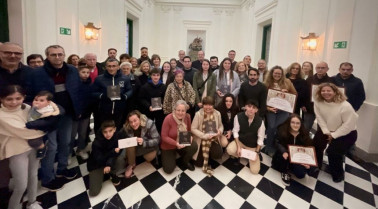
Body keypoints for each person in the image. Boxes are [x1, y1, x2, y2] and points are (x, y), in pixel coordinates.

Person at [27, 45, 82, 191]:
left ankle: (62, 168)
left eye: (60, 54)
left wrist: (78, 110)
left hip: (67, 113)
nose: (57, 57)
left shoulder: (71, 70)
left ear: (64, 55)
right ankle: (47, 178)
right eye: (53, 55)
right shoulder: (37, 73)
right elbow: (31, 94)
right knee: (51, 147)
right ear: (47, 56)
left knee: (66, 142)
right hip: (47, 117)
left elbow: (76, 91)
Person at [0, 85, 46, 209]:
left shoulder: (27, 107)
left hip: (32, 148)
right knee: (20, 185)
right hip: (17, 151)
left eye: (18, 98)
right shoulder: (1, 116)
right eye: (9, 99)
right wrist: (45, 129)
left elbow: (42, 118)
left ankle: (32, 202)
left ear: (23, 97)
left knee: (33, 175)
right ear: (1, 99)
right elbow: (25, 131)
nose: (14, 102)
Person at [313, 83, 358, 182]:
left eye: (329, 91)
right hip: (327, 129)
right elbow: (320, 118)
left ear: (335, 92)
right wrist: (326, 132)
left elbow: (349, 125)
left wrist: (334, 135)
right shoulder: (318, 102)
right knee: (316, 145)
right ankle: (316, 165)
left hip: (347, 133)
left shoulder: (345, 105)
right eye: (323, 91)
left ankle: (338, 174)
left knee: (333, 152)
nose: (326, 93)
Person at [271, 114, 316, 186]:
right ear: (289, 123)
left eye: (298, 123)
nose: (295, 125)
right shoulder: (282, 131)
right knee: (283, 159)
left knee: (300, 175)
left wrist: (306, 163)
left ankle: (294, 168)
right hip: (285, 155)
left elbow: (308, 149)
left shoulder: (304, 134)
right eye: (293, 122)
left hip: (297, 157)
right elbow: (276, 142)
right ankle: (285, 171)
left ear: (301, 124)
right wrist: (283, 151)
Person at [264, 66, 297, 156]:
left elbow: (294, 94)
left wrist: (287, 93)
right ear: (272, 73)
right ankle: (269, 147)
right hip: (271, 109)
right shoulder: (266, 83)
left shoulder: (287, 82)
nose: (277, 75)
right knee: (271, 126)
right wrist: (268, 108)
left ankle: (276, 145)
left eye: (279, 73)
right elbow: (263, 98)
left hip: (284, 110)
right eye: (275, 73)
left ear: (282, 74)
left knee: (278, 127)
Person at [92, 58, 133, 130]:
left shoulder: (125, 78)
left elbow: (130, 90)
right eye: (109, 66)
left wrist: (125, 96)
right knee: (105, 130)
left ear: (118, 67)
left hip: (119, 110)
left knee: (118, 130)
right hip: (104, 110)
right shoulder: (99, 79)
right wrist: (102, 96)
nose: (111, 68)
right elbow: (93, 92)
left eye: (114, 66)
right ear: (106, 67)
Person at [117, 110, 160, 178]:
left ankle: (132, 157)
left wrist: (144, 142)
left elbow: (157, 140)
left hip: (147, 145)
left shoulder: (149, 123)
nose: (133, 124)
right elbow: (118, 137)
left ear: (140, 118)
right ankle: (131, 164)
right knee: (130, 145)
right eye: (131, 122)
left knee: (148, 158)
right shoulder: (127, 127)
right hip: (135, 147)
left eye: (135, 120)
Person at [226, 100, 265, 174]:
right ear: (245, 107)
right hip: (240, 142)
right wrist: (238, 147)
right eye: (249, 106)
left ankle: (245, 154)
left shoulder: (260, 122)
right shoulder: (238, 116)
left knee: (255, 171)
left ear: (256, 110)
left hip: (252, 146)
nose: (251, 109)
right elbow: (235, 132)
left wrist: (256, 152)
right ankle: (241, 152)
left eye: (253, 108)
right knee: (230, 150)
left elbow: (260, 139)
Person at [191, 97, 227, 175]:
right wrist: (204, 136)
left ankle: (209, 153)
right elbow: (193, 128)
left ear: (213, 105)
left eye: (210, 105)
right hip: (202, 139)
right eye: (206, 105)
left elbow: (221, 125)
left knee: (218, 154)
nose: (208, 107)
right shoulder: (198, 114)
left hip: (213, 138)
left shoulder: (217, 113)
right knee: (198, 164)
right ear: (203, 105)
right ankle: (206, 154)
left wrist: (219, 131)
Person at [161, 100, 198, 174]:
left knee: (194, 145)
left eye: (183, 111)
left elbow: (189, 130)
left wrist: (190, 136)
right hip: (169, 146)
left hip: (182, 142)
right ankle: (172, 155)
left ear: (186, 111)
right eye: (178, 110)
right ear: (174, 110)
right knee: (168, 170)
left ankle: (185, 161)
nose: (180, 113)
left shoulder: (187, 117)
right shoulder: (168, 118)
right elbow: (164, 136)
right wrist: (176, 144)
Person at [87, 120, 121, 196]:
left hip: (108, 160)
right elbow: (99, 159)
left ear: (114, 129)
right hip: (97, 164)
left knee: (119, 159)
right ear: (102, 131)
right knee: (94, 192)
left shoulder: (116, 136)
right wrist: (112, 152)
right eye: (105, 132)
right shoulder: (96, 143)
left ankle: (111, 172)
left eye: (110, 131)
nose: (108, 134)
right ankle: (103, 172)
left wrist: (108, 164)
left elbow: (115, 154)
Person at [26, 91, 63, 159]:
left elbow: (41, 121)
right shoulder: (37, 108)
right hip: (36, 127)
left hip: (45, 129)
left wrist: (33, 124)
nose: (37, 102)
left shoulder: (48, 110)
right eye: (36, 100)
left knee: (34, 141)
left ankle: (42, 148)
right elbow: (31, 118)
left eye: (41, 100)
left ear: (48, 102)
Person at [303, 61, 333, 131]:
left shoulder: (331, 81)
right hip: (310, 108)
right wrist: (303, 104)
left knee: (322, 129)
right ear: (315, 69)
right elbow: (305, 93)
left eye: (323, 68)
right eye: (318, 68)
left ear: (327, 69)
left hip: (324, 109)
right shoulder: (309, 79)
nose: (320, 69)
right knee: (306, 128)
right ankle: (304, 141)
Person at [71, 65, 93, 160]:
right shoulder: (73, 83)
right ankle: (68, 152)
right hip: (75, 113)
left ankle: (81, 149)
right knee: (72, 134)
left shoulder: (90, 83)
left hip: (86, 113)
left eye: (88, 72)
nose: (86, 74)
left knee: (83, 133)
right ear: (78, 73)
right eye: (83, 72)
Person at [139, 68, 166, 133]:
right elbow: (141, 99)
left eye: (157, 75)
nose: (156, 77)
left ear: (160, 76)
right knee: (148, 127)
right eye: (154, 75)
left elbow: (165, 98)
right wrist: (148, 106)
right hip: (148, 111)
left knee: (159, 126)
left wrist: (162, 104)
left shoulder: (163, 86)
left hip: (160, 111)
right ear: (151, 76)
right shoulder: (144, 87)